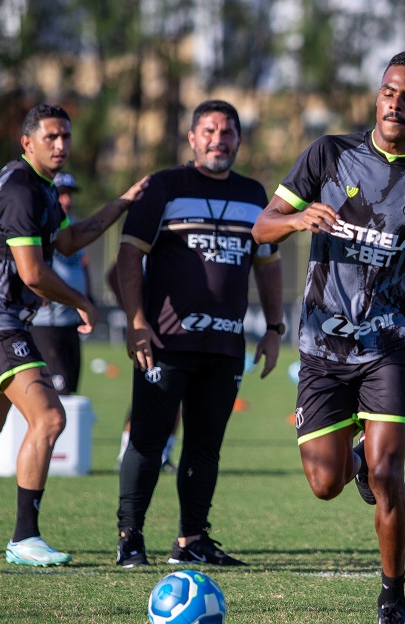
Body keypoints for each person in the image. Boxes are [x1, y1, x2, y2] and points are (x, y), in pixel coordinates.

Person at [251, 51, 405, 624]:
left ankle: (392, 597)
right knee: (325, 485)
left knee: (388, 471)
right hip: (323, 343)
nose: (397, 103)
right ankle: (351, 461)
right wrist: (295, 221)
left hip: (391, 341)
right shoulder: (328, 154)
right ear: (378, 96)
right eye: (389, 92)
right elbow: (261, 227)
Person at [0, 103, 147, 566]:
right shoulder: (22, 191)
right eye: (51, 137)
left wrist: (123, 203)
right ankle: (24, 538)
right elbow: (33, 274)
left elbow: (68, 242)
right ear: (27, 142)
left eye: (66, 137)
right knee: (50, 419)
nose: (61, 145)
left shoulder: (44, 190)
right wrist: (84, 302)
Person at [115, 99, 283, 569]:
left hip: (225, 347)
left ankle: (192, 540)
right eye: (208, 130)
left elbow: (268, 265)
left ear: (239, 141)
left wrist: (273, 328)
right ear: (192, 138)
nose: (218, 139)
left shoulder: (254, 194)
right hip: (165, 345)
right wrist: (136, 322)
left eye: (227, 131)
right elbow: (129, 257)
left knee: (205, 447)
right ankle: (130, 539)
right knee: (149, 442)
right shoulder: (164, 186)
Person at [107, 260, 179, 474]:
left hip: (182, 334)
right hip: (152, 334)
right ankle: (125, 453)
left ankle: (164, 456)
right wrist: (133, 316)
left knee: (178, 398)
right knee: (148, 395)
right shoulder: (152, 240)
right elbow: (114, 273)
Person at [30, 172, 90, 395]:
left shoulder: (72, 226)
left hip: (70, 321)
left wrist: (88, 294)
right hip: (47, 323)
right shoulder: (41, 223)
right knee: (57, 393)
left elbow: (82, 263)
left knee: (71, 390)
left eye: (69, 195)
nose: (66, 200)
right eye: (61, 194)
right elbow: (31, 264)